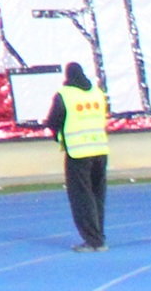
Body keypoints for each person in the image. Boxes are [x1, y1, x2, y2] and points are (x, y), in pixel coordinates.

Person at [46, 60, 109, 250]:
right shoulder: (97, 93)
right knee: (97, 196)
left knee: (82, 197)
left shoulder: (65, 95)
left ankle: (93, 240)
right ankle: (98, 235)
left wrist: (56, 134)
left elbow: (54, 120)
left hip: (78, 151)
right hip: (100, 149)